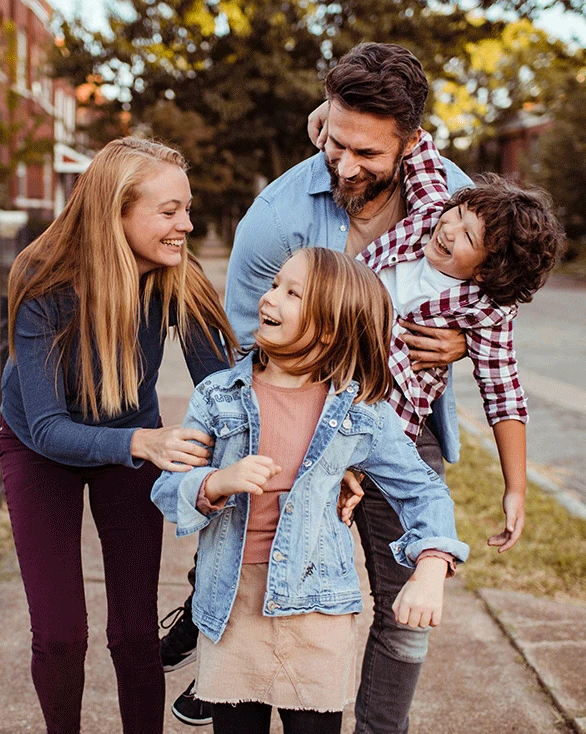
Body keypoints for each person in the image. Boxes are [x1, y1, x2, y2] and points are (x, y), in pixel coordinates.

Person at [164, 43, 474, 732]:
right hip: (297, 412)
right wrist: (301, 445)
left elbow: (500, 279)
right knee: (259, 548)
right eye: (336, 143)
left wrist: (466, 339)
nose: (346, 165)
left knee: (401, 612)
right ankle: (219, 657)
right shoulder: (274, 217)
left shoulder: (452, 198)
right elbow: (244, 347)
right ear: (320, 122)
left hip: (399, 419)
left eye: (368, 153)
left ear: (413, 143)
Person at [151, 248, 470, 734]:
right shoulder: (217, 395)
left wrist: (430, 566)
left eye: (291, 292)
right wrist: (215, 482)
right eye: (275, 284)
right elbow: (166, 486)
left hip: (318, 605)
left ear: (327, 327)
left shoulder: (359, 410)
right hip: (232, 604)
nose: (270, 297)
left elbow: (423, 491)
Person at [0, 137, 237, 734]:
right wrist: (146, 443)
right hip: (38, 447)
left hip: (129, 442)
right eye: (169, 210)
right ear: (117, 211)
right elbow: (51, 428)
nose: (185, 224)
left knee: (133, 630)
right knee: (59, 634)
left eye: (187, 207)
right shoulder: (45, 276)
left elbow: (226, 395)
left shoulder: (174, 273)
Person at [357, 173, 566, 552]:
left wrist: (516, 488)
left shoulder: (486, 312)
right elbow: (416, 146)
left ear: (486, 270)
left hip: (392, 427)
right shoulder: (429, 215)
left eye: (468, 237)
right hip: (327, 394)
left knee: (408, 556)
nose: (450, 229)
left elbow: (503, 394)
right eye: (459, 214)